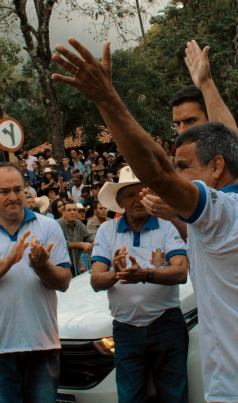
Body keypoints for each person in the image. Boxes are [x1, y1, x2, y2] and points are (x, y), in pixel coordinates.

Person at [52, 38, 238, 403]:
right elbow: (234, 140)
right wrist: (206, 84)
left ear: (217, 166)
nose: (179, 176)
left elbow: (157, 172)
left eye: (185, 167)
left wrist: (106, 98)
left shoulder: (223, 213)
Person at [0, 162, 71, 403]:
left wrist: (42, 267)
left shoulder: (48, 226)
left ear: (26, 189)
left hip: (42, 346)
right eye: (4, 191)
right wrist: (7, 262)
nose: (13, 197)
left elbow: (63, 282)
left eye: (18, 190)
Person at [90, 166, 189, 403]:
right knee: (130, 398)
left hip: (166, 324)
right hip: (126, 331)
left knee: (174, 397)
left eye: (143, 192)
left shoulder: (167, 224)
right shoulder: (106, 230)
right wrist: (117, 274)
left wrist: (145, 274)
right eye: (130, 194)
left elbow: (181, 272)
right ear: (119, 200)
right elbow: (95, 280)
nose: (138, 199)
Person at [57, 202, 94, 275]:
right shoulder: (57, 224)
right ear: (63, 213)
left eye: (74, 210)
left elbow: (89, 235)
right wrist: (81, 244)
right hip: (60, 266)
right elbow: (62, 243)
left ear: (77, 213)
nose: (72, 212)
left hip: (73, 264)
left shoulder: (79, 223)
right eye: (69, 210)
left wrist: (94, 241)